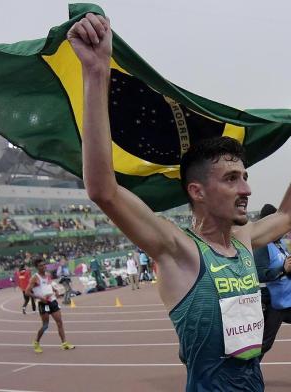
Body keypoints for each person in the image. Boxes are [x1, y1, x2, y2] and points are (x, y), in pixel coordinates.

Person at [67, 14, 291, 391]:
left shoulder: (244, 240)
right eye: (231, 179)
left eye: (246, 178)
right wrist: (95, 72)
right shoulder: (178, 251)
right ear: (197, 191)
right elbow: (103, 189)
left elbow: (287, 214)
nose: (247, 191)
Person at [254, 204, 291, 358]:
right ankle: (243, 372)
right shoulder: (261, 245)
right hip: (273, 302)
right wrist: (283, 269)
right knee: (264, 344)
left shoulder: (279, 243)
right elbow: (260, 274)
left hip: (287, 300)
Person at [25, 258, 75, 353]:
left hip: (52, 301)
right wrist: (40, 297)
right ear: (37, 267)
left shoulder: (47, 275)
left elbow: (49, 284)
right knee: (45, 325)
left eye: (44, 265)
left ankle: (64, 343)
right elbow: (27, 292)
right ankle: (36, 342)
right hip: (44, 304)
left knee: (59, 322)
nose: (43, 267)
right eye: (41, 265)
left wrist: (55, 290)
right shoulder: (34, 278)